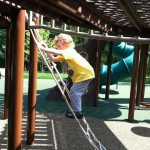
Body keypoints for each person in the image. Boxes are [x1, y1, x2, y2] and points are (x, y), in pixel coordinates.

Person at [39, 33, 95, 119]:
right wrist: (45, 48)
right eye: (57, 46)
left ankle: (77, 112)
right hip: (81, 76)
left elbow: (55, 52)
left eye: (59, 46)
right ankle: (75, 110)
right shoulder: (63, 55)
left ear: (66, 45)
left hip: (84, 74)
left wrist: (41, 48)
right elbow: (53, 58)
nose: (57, 48)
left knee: (75, 91)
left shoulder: (69, 51)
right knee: (75, 92)